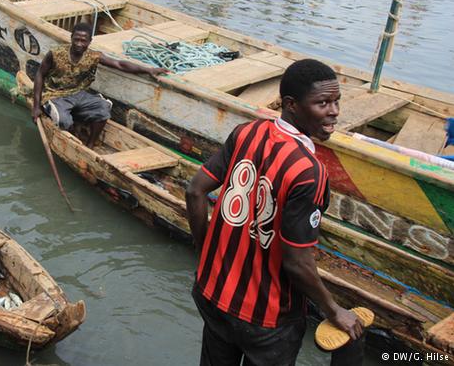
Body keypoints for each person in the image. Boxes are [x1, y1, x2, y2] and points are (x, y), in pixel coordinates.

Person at [185, 59, 363, 365]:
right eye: (322, 103)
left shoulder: (247, 132)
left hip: (212, 293)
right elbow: (296, 262)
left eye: (336, 102)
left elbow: (194, 191)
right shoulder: (309, 172)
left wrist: (205, 257)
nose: (334, 112)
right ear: (292, 105)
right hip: (267, 319)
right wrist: (335, 310)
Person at [32, 22, 167, 148]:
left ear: (89, 42)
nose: (79, 44)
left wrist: (149, 70)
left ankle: (90, 145)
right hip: (56, 95)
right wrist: (36, 106)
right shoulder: (55, 53)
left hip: (79, 94)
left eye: (83, 41)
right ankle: (72, 137)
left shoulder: (93, 56)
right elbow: (40, 74)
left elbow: (119, 64)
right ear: (71, 37)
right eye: (76, 39)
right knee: (64, 121)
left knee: (103, 109)